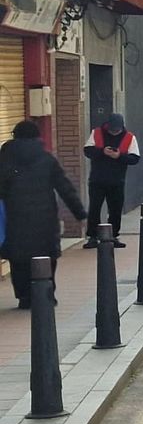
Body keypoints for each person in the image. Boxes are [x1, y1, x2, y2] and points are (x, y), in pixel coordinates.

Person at [0, 120, 88, 308]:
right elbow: (65, 188)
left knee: (19, 259)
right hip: (45, 218)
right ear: (36, 136)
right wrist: (79, 212)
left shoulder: (5, 159)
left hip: (16, 218)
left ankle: (24, 297)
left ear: (15, 136)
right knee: (46, 256)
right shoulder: (47, 159)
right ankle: (47, 293)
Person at [83, 113, 141, 248]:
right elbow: (88, 150)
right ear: (108, 125)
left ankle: (113, 235)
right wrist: (102, 152)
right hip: (97, 179)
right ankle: (92, 236)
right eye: (112, 129)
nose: (115, 132)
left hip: (117, 180)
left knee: (115, 209)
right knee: (94, 208)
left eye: (117, 129)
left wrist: (119, 156)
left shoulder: (129, 137)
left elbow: (135, 158)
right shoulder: (96, 133)